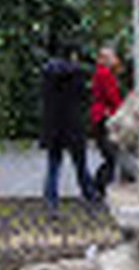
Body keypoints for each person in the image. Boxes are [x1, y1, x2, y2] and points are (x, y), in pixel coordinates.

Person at [40, 43, 97, 213]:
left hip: (53, 125)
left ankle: (51, 200)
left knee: (53, 165)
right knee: (80, 164)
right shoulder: (76, 74)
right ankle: (89, 194)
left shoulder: (47, 73)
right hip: (73, 124)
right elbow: (84, 96)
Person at [89, 45, 128, 198]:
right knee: (111, 156)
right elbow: (112, 96)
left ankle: (99, 186)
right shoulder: (105, 74)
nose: (115, 59)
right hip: (105, 116)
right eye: (112, 56)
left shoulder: (101, 72)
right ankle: (100, 187)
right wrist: (122, 112)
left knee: (109, 156)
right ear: (104, 59)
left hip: (100, 115)